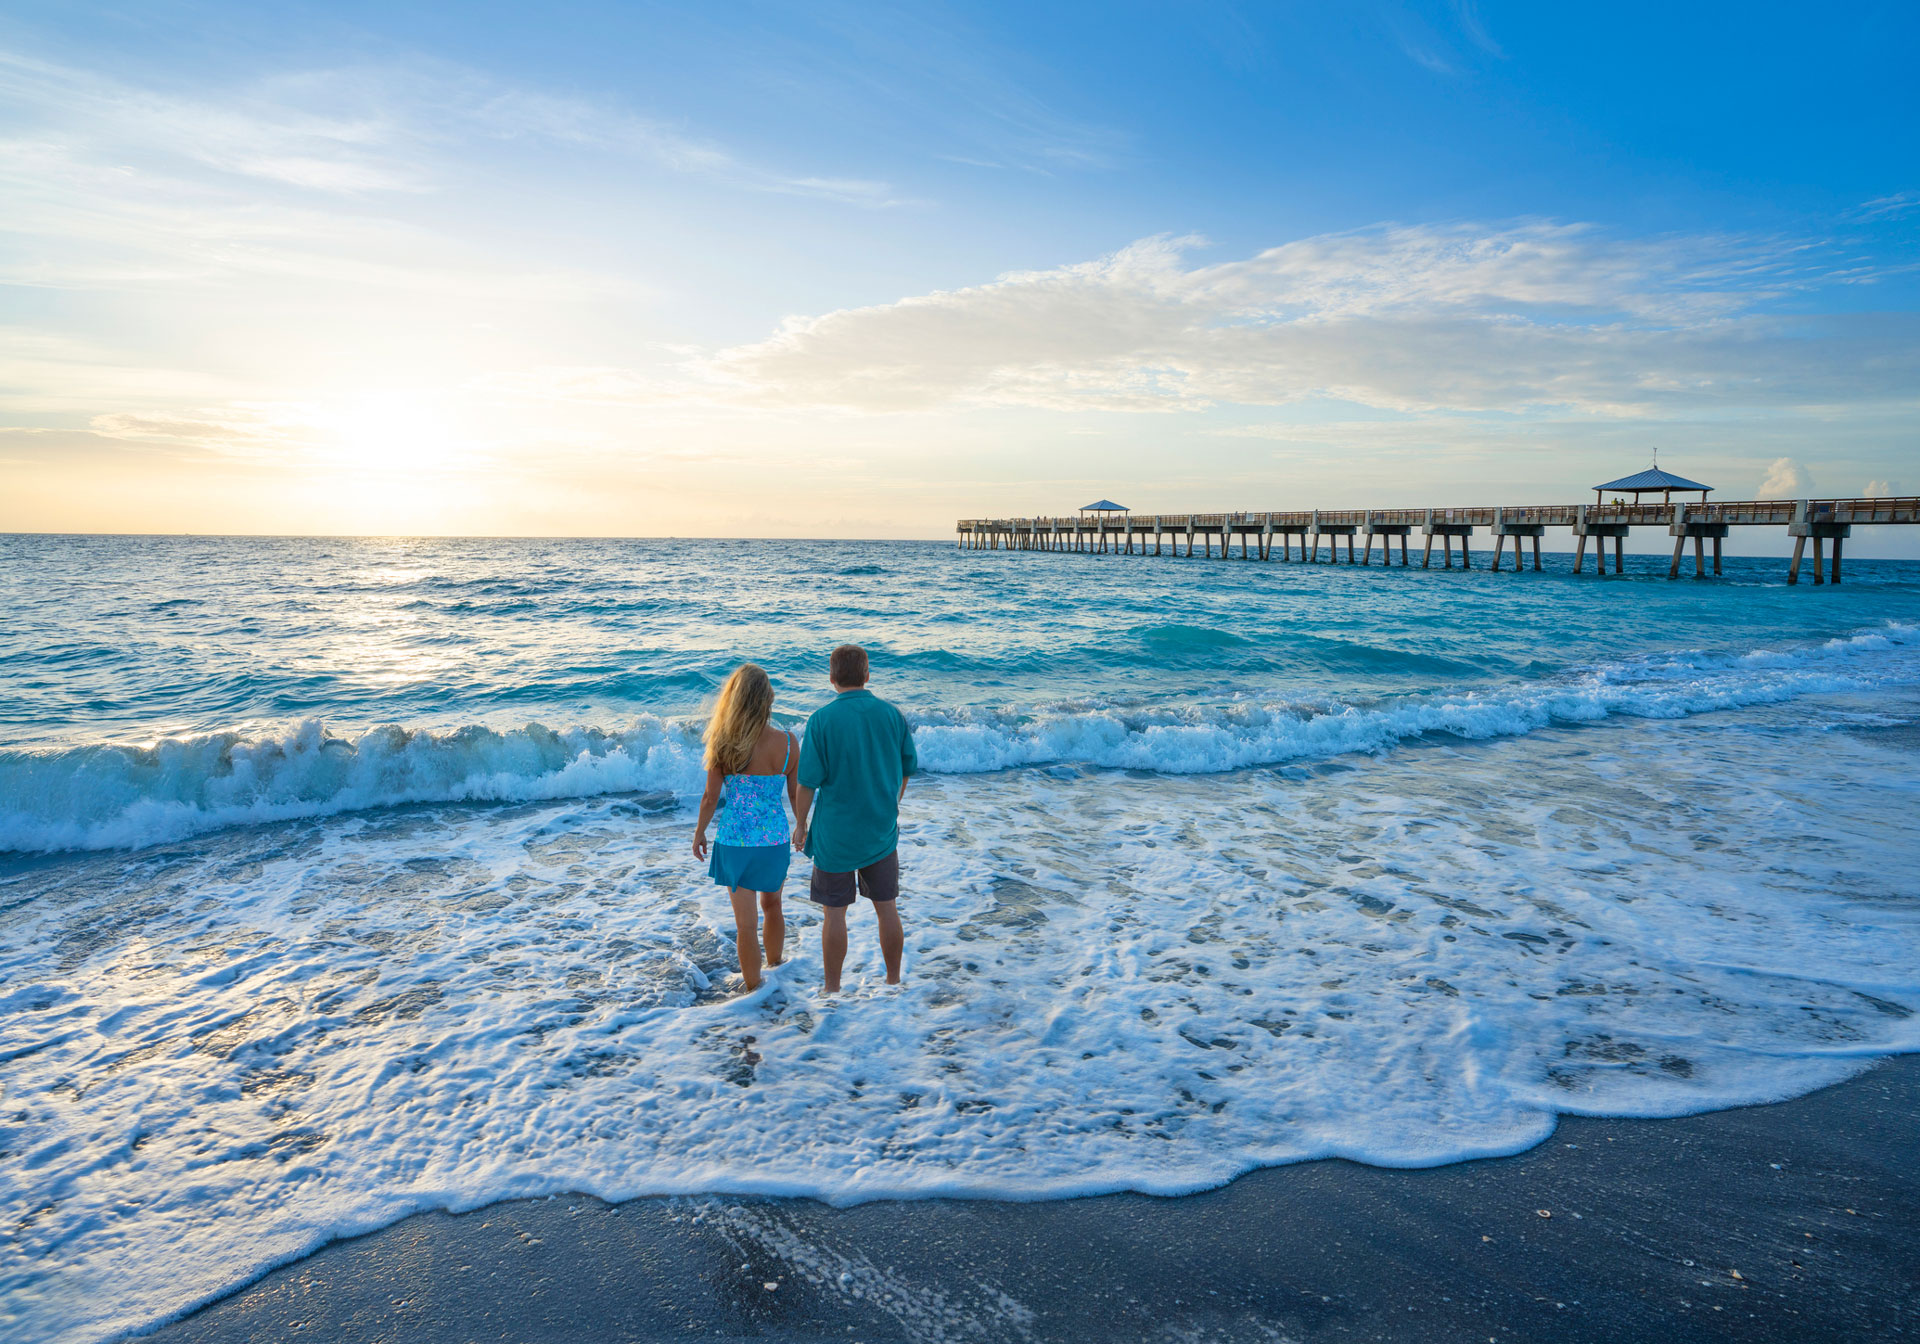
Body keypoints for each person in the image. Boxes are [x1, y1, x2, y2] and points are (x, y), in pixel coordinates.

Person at [792, 644, 917, 993]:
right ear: (866, 675)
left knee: (834, 914)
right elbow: (907, 768)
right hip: (880, 829)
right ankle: (893, 982)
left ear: (832, 679)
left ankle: (833, 989)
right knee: (887, 908)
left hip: (836, 836)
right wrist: (892, 802)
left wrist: (801, 824)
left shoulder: (820, 721)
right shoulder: (891, 715)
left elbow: (807, 784)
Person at [692, 663, 798, 992]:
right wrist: (804, 827)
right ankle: (776, 967)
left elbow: (711, 797)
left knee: (745, 925)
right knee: (774, 906)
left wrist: (699, 832)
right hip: (773, 840)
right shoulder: (789, 744)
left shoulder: (723, 744)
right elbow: (796, 794)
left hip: (735, 842)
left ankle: (755, 991)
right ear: (768, 699)